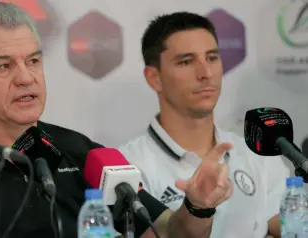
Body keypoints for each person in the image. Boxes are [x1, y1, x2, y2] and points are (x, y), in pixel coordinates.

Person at [0, 3, 232, 238]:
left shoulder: (81, 151)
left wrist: (197, 207)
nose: (25, 78)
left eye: (33, 61)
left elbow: (168, 233)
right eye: (4, 66)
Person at [118, 12, 292, 238]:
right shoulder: (126, 167)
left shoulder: (257, 153)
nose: (205, 73)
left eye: (211, 58)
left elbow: (293, 228)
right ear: (154, 78)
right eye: (186, 61)